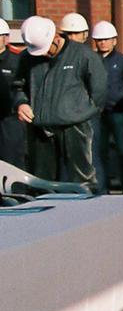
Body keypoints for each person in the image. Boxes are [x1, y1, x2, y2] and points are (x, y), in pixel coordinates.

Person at [12, 15, 107, 189]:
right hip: (40, 128)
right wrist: (21, 103)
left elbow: (98, 93)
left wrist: (78, 113)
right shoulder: (28, 57)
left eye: (47, 49)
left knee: (83, 179)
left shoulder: (83, 56)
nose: (45, 54)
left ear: (56, 38)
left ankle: (86, 211)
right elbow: (18, 86)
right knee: (40, 181)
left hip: (75, 127)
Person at [91, 20, 123, 193]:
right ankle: (102, 188)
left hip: (118, 113)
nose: (103, 43)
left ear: (114, 40)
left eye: (106, 39)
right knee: (100, 150)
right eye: (99, 40)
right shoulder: (92, 60)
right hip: (97, 114)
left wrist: (121, 101)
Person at [0, 18, 27, 168]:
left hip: (10, 120)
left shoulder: (16, 61)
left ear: (6, 38)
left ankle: (15, 191)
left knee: (12, 160)